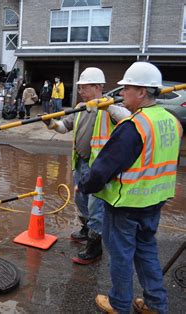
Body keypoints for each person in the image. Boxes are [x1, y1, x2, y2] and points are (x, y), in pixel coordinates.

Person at [78, 62, 182, 314]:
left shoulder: (133, 127)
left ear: (142, 92)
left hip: (126, 204)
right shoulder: (171, 121)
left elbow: (102, 169)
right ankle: (155, 305)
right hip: (155, 201)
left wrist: (84, 186)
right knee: (146, 251)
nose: (122, 93)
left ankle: (119, 304)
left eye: (127, 89)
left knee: (121, 256)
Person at [43, 67, 130, 265]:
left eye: (84, 87)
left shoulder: (111, 107)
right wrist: (50, 123)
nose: (81, 91)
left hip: (99, 167)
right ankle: (86, 228)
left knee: (96, 204)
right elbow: (64, 127)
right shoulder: (81, 107)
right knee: (80, 199)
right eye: (80, 87)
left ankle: (94, 247)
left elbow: (128, 119)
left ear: (98, 87)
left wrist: (108, 107)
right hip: (81, 163)